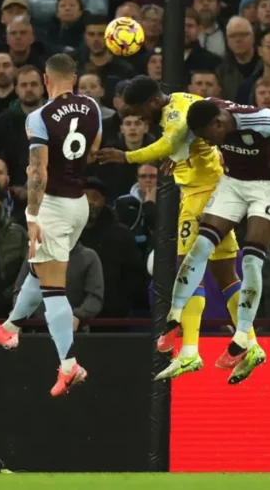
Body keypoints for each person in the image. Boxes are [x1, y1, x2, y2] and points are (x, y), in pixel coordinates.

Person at [93, 77, 247, 383]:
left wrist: (126, 156)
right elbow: (186, 141)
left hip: (203, 194)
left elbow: (169, 139)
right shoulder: (180, 99)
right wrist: (178, 157)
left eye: (139, 112)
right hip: (213, 187)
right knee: (225, 272)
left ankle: (190, 352)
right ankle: (248, 342)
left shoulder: (173, 116)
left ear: (152, 102)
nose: (140, 119)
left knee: (186, 268)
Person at [0, 54, 102, 397]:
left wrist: (31, 216)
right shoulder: (92, 106)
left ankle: (69, 366)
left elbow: (38, 170)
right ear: (74, 78)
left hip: (53, 206)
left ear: (46, 79)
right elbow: (93, 150)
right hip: (79, 204)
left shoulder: (39, 117)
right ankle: (10, 328)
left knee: (53, 289)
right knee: (37, 270)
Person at [171, 98, 270, 383]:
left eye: (208, 136)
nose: (207, 142)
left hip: (266, 188)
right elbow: (186, 129)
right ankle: (176, 318)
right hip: (232, 183)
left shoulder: (259, 120)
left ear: (218, 124)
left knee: (251, 260)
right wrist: (177, 153)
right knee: (202, 245)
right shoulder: (208, 112)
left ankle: (242, 337)